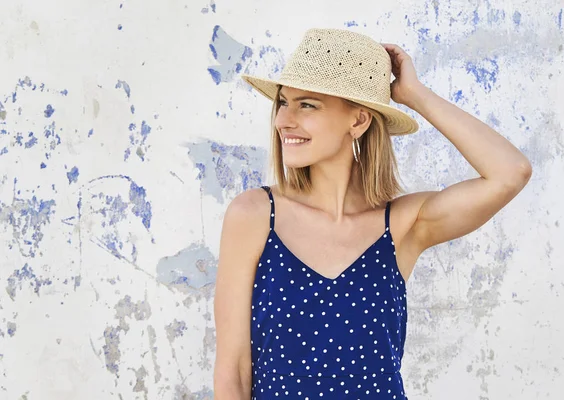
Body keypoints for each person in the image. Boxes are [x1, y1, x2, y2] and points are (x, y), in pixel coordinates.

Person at [213, 28, 531, 400]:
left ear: (359, 121)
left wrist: (414, 95)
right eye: (283, 102)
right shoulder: (253, 215)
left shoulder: (401, 226)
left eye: (307, 105)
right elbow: (233, 371)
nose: (284, 120)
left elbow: (511, 173)